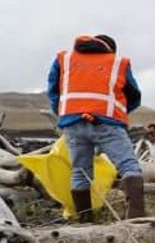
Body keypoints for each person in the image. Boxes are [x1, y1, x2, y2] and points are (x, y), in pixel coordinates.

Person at [45, 34, 146, 222]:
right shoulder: (118, 63)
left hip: (72, 123)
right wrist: (118, 114)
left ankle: (85, 220)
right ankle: (136, 218)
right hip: (107, 123)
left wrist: (64, 113)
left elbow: (53, 90)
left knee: (80, 171)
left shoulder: (64, 59)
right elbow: (134, 95)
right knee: (128, 166)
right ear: (110, 50)